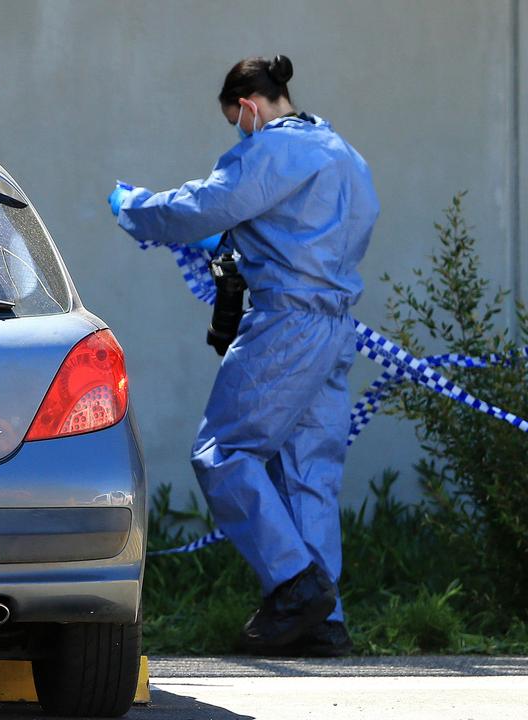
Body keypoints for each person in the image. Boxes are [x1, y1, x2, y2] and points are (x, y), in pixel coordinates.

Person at [109, 55, 379, 657]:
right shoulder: (345, 156)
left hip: (284, 323)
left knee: (224, 453)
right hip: (335, 326)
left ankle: (293, 584)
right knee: (310, 469)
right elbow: (296, 230)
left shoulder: (272, 151)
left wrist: (134, 208)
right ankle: (324, 621)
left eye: (236, 119)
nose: (238, 128)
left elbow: (204, 205)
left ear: (249, 108)